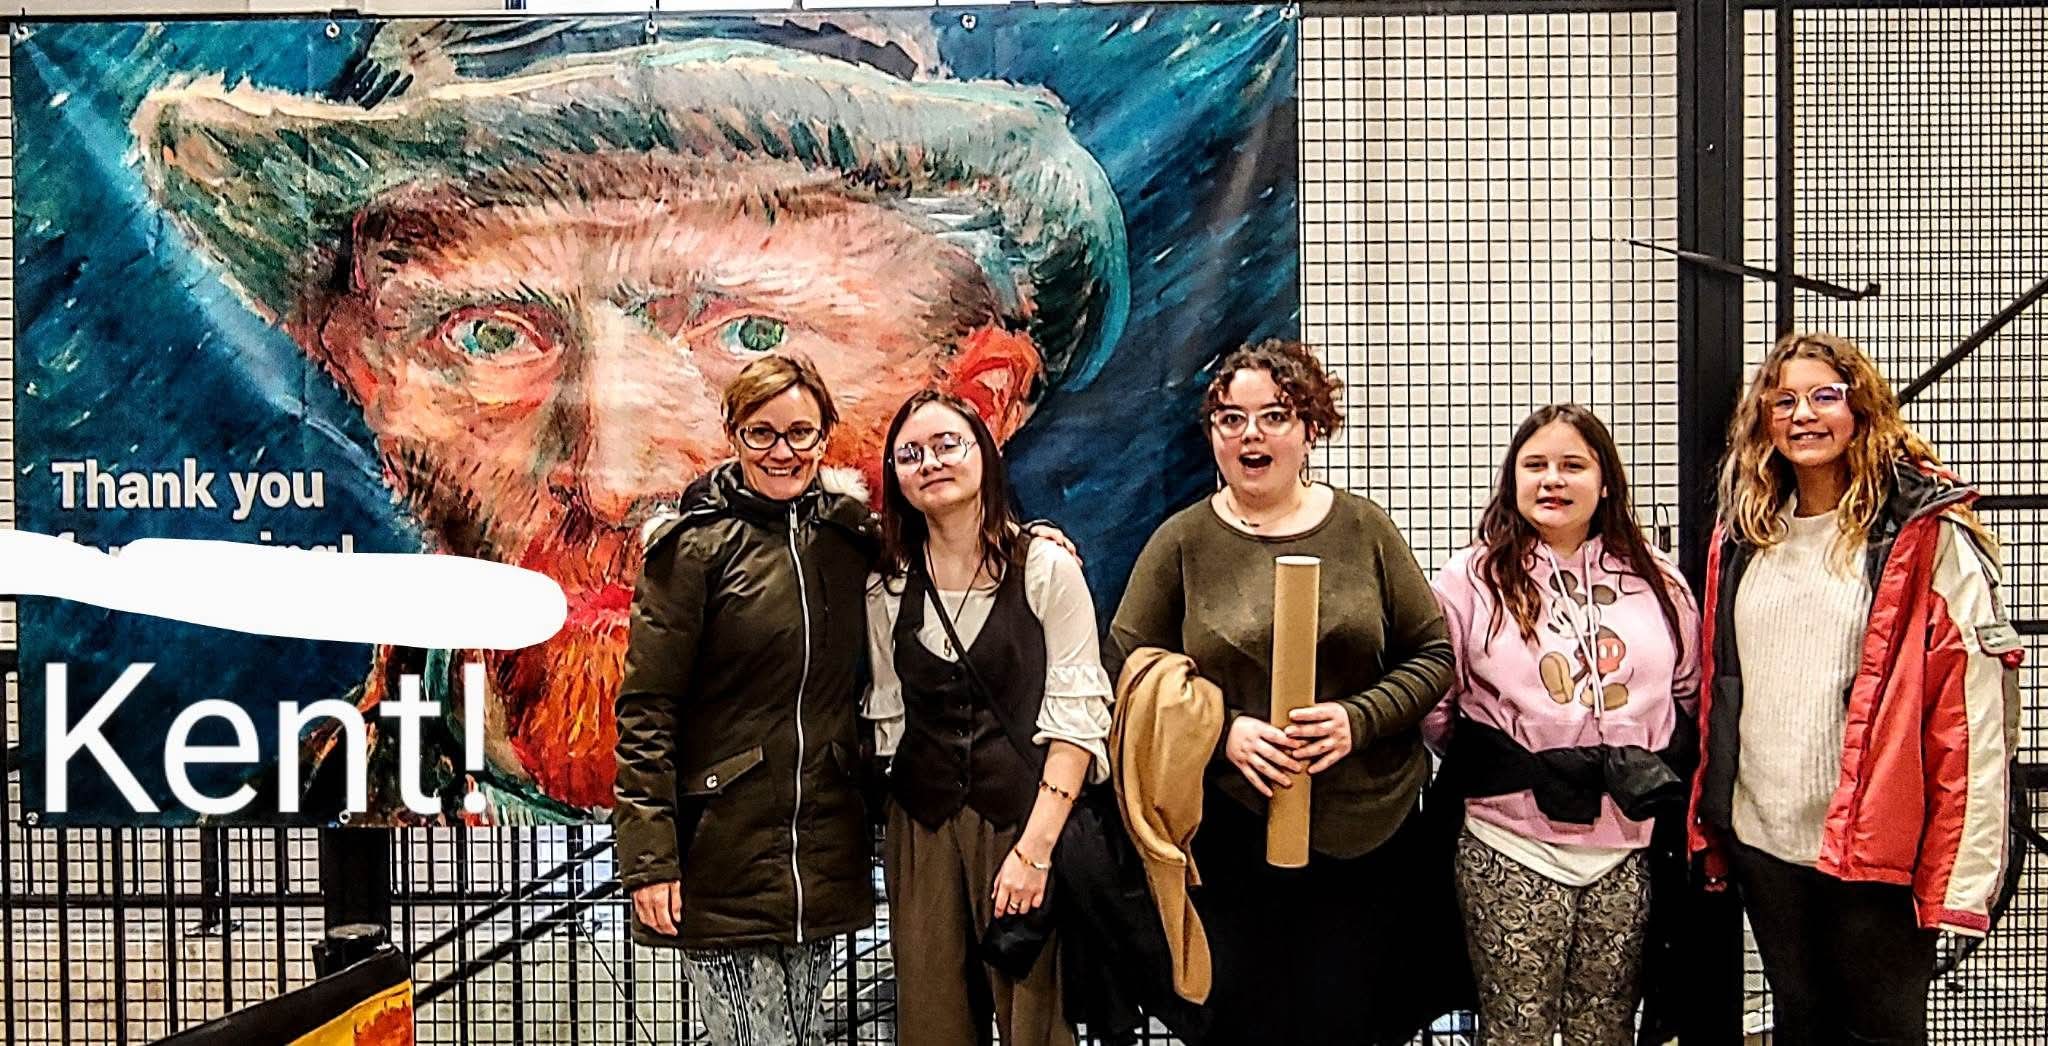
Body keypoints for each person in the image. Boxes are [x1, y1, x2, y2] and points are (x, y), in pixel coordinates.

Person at [131, 17, 1129, 823]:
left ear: (974, 400)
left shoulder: (1010, 788)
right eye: (488, 335)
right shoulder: (285, 836)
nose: (612, 480)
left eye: (750, 335)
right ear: (366, 375)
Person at [1105, 338, 1457, 1043]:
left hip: (1368, 839)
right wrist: (1222, 733)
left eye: (1274, 416)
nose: (1251, 435)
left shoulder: (1364, 529)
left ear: (1311, 428)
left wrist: (1358, 720)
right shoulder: (1182, 542)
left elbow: (1433, 655)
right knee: (1247, 1022)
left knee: (1353, 1020)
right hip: (1230, 839)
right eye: (1231, 419)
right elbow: (1125, 668)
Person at [1689, 331, 2017, 1046]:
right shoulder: (1744, 536)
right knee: (1800, 1026)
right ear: (1763, 421)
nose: (1803, 414)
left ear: (1860, 409)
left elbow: (1971, 712)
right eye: (1783, 401)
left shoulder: (1925, 536)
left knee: (1881, 1034)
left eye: (1824, 396)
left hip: (1874, 852)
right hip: (1765, 841)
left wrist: (1965, 872)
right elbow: (1723, 688)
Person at [612, 354, 875, 1046]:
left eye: (800, 432)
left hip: (821, 852)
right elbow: (647, 711)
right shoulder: (691, 550)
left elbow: (950, 553)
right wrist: (650, 860)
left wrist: (1027, 542)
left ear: (825, 435)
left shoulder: (851, 539)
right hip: (720, 856)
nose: (782, 452)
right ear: (732, 434)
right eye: (762, 433)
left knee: (801, 1038)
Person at [1423, 404, 1699, 1045]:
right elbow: (1438, 705)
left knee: (1604, 1029)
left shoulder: (1658, 579)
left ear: (1605, 482)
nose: (1552, 480)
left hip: (1627, 845)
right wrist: (1517, 763)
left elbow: (1687, 689)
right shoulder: (1470, 580)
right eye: (1535, 465)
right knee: (1515, 1028)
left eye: (1573, 465)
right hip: (1509, 839)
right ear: (1512, 480)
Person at [861, 389, 1113, 1046]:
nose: (930, 463)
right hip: (923, 829)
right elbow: (890, 715)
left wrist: (1035, 851)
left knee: (1037, 1025)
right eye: (910, 454)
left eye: (948, 444)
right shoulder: (887, 583)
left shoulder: (1046, 569)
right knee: (932, 1023)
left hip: (1024, 821)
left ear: (985, 455)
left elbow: (1077, 721)